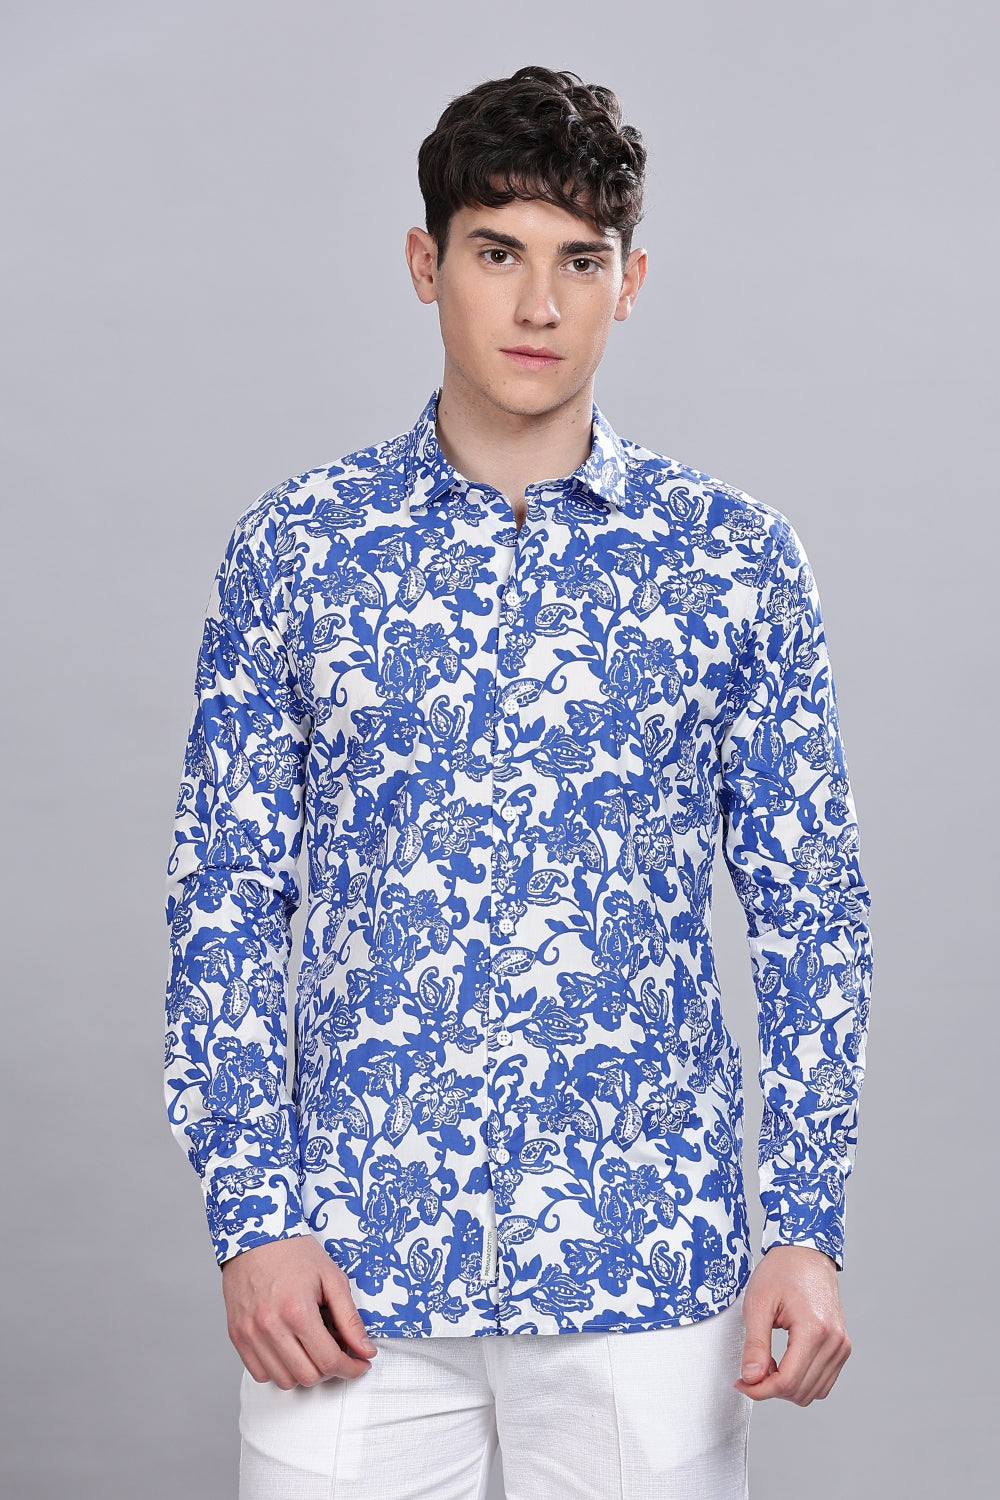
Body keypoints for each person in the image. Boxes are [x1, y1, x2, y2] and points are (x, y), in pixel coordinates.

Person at [164, 64, 871, 1500]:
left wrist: (803, 1223)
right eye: (498, 253)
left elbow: (813, 910)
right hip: (349, 1273)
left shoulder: (733, 560)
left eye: (580, 261)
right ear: (426, 264)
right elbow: (224, 898)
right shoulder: (298, 551)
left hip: (645, 1270)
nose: (540, 304)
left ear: (631, 281)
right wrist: (252, 1216)